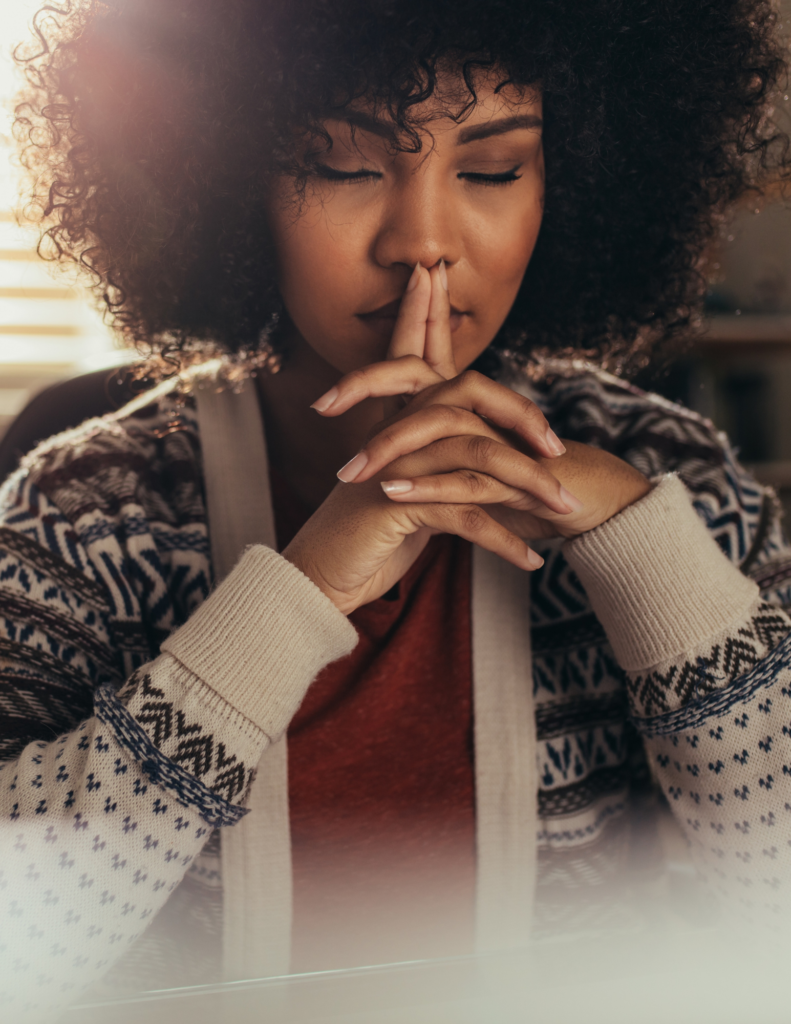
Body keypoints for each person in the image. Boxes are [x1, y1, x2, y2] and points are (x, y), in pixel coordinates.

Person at [3, 0, 791, 1015]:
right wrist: (301, 590)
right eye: (341, 165)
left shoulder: (663, 473)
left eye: (492, 168)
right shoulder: (89, 511)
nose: (422, 243)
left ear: (572, 184)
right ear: (226, 177)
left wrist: (646, 556)